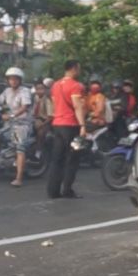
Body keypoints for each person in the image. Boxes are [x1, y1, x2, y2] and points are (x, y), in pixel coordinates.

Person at [0, 67, 32, 187]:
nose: (13, 81)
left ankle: (19, 178)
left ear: (20, 80)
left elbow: (24, 107)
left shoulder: (24, 91)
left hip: (22, 124)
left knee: (19, 148)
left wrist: (11, 115)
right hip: (10, 123)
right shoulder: (7, 91)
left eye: (16, 79)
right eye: (11, 79)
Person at [46, 60, 86, 199]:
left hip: (57, 124)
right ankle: (67, 190)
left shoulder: (55, 85)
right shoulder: (76, 86)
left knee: (57, 159)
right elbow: (77, 106)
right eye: (79, 68)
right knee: (72, 159)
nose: (79, 71)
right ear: (74, 68)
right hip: (71, 126)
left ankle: (53, 191)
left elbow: (55, 103)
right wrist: (82, 125)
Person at [32, 81, 54, 158]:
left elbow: (50, 117)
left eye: (41, 89)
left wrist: (42, 124)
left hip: (45, 121)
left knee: (40, 133)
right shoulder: (35, 98)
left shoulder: (47, 100)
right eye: (37, 89)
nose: (39, 91)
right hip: (34, 119)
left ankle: (39, 150)